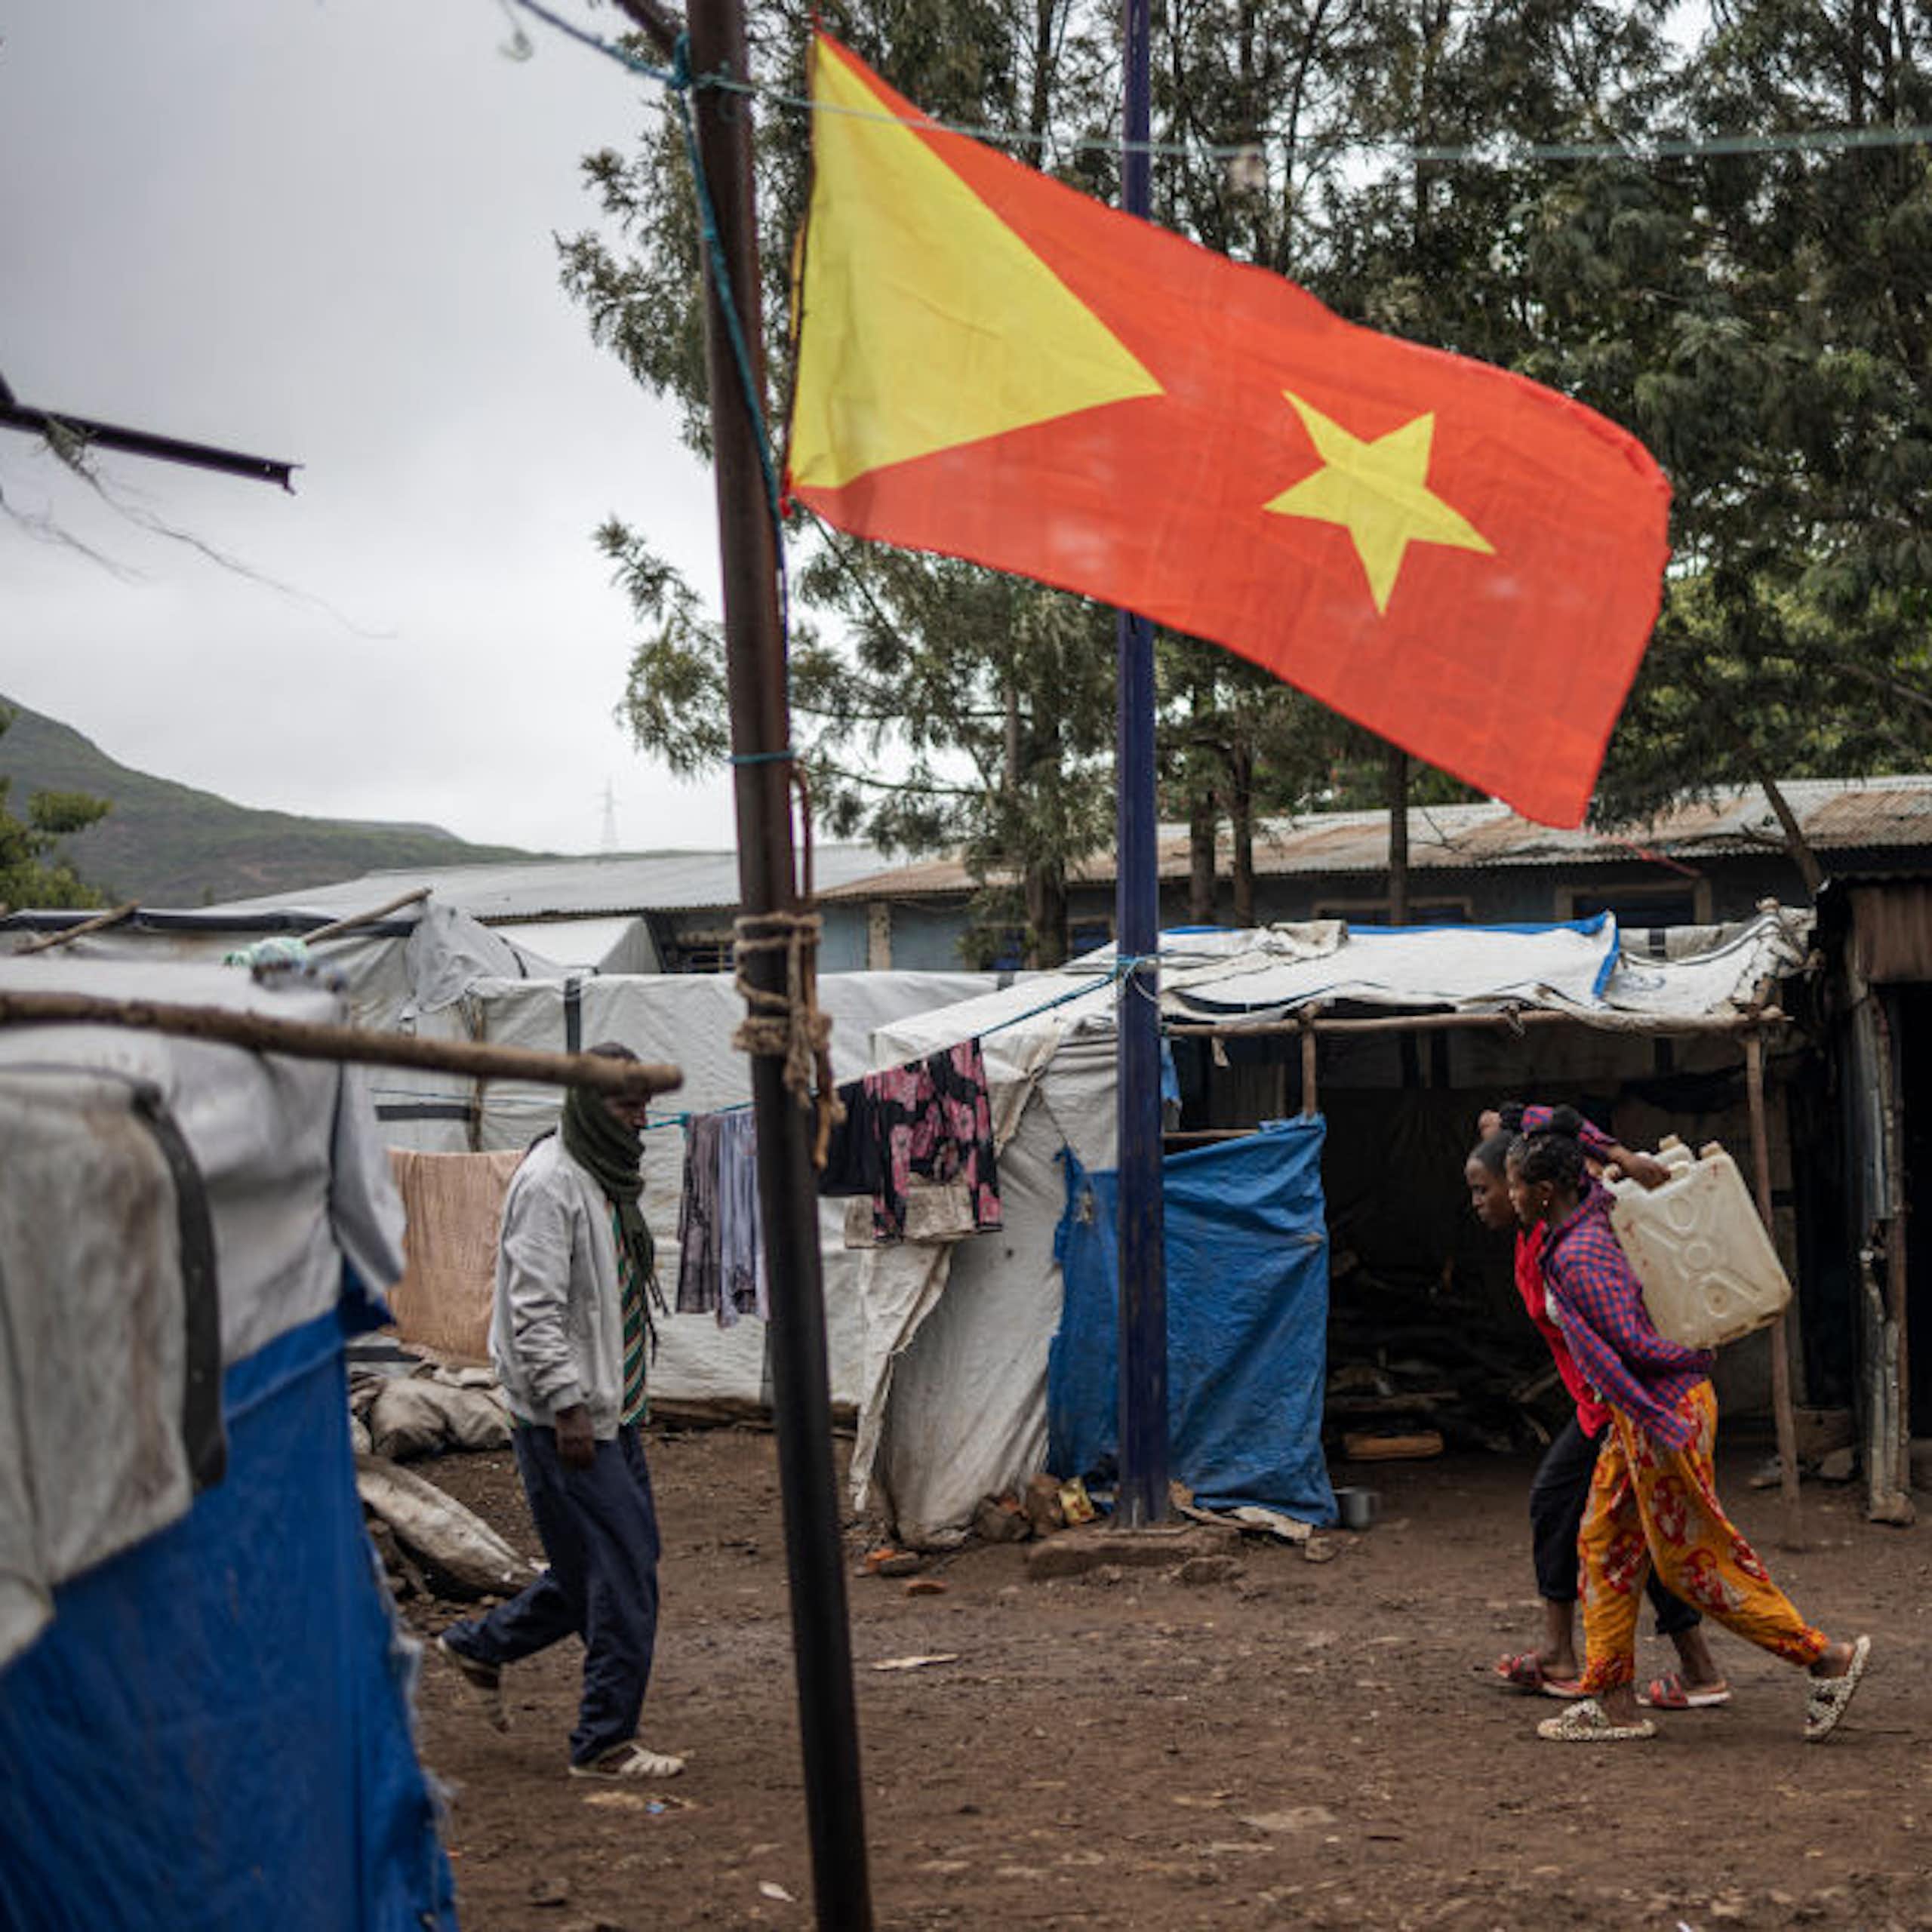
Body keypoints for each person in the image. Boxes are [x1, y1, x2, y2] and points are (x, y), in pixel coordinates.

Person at [1505, 1114, 1871, 1743]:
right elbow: (1547, 1119)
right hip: (1651, 1412)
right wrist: (1619, 1153)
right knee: (1604, 1543)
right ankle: (1612, 1700)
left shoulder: (1576, 1256)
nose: (1508, 1196)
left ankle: (1824, 1658)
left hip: (1660, 1410)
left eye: (1512, 1185)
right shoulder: (1593, 1208)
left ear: (1543, 1192)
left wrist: (1673, 1388)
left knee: (1692, 1564)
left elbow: (1621, 1353)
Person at [438, 1042, 684, 1780]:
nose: (640, 1120)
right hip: (569, 1419)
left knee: (587, 1572)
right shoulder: (553, 1183)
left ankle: (482, 1645)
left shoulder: (602, 1173)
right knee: (628, 1570)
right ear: (585, 1104)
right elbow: (533, 1307)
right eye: (626, 1105)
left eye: (644, 1105)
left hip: (611, 1409)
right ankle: (604, 1740)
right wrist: (569, 1405)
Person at [1466, 1116, 1727, 1709]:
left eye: (1489, 1187)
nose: (1484, 1201)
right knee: (1633, 1530)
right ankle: (1695, 1668)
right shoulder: (1533, 1238)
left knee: (1569, 1510)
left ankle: (1578, 1662)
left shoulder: (1572, 1240)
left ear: (1533, 1187)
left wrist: (1622, 1155)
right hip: (1601, 1404)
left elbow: (1549, 1116)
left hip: (1621, 1403)